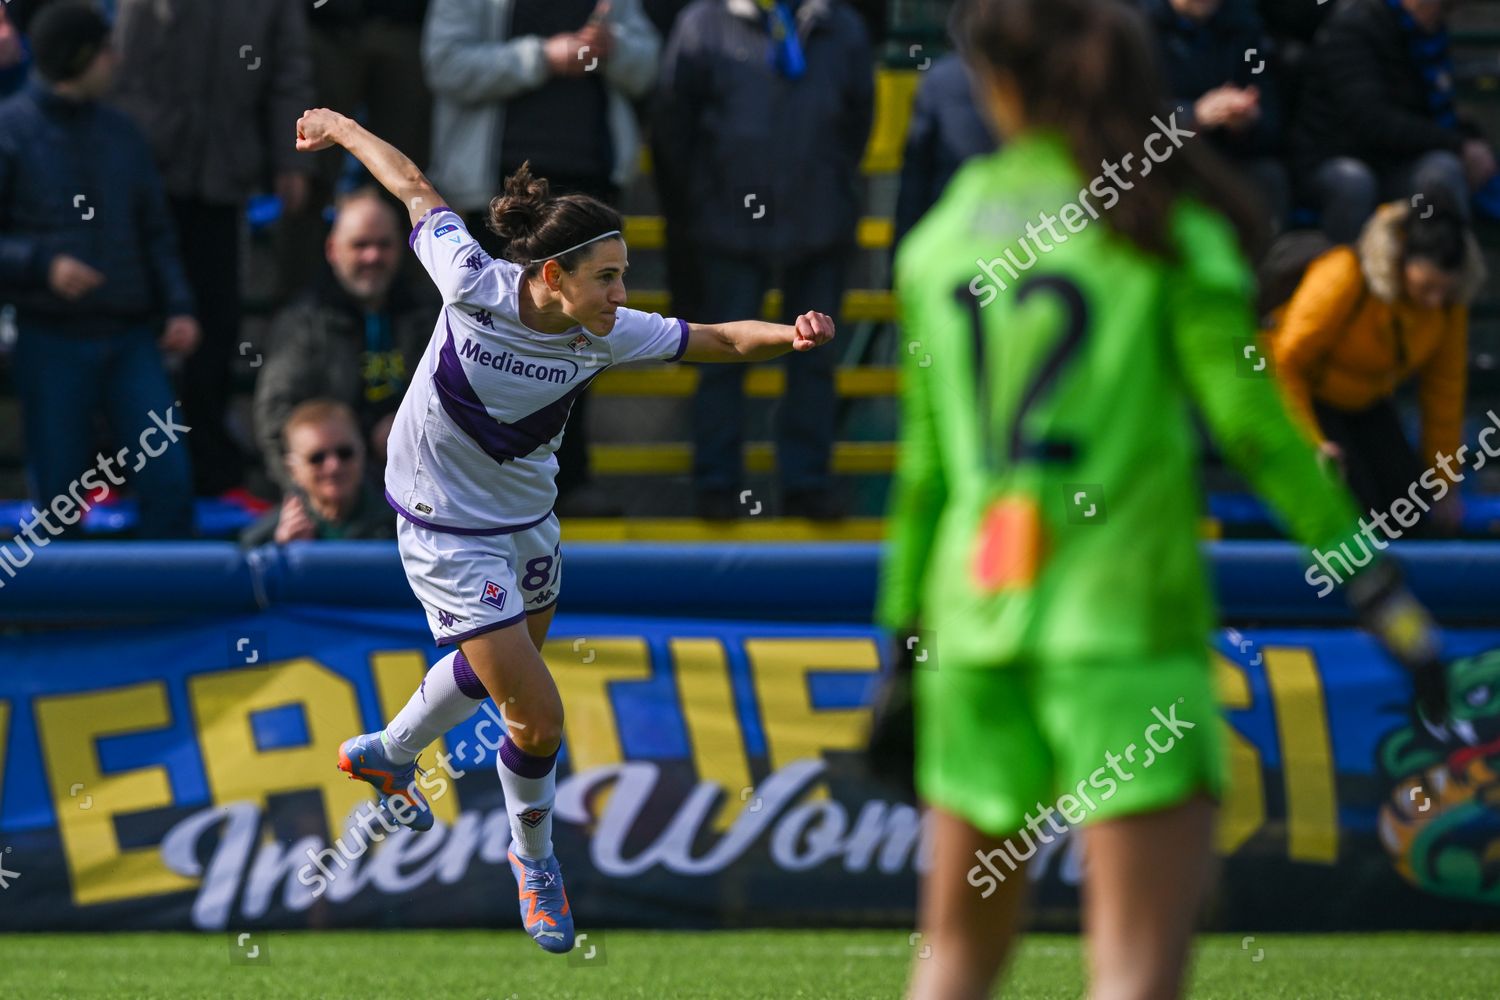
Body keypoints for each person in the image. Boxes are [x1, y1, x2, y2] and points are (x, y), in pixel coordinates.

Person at [869, 2, 1450, 998]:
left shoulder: (943, 238)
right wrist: (1382, 595)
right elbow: (1260, 434)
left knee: (955, 962)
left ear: (1001, 87)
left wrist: (899, 649)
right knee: (1136, 973)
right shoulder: (1162, 224)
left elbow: (923, 479)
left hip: (972, 625)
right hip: (1123, 619)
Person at [293, 106, 835, 953]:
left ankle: (390, 753)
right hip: (444, 526)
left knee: (488, 681)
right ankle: (536, 864)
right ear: (553, 275)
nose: (622, 295)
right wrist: (338, 126)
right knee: (537, 718)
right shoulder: (472, 282)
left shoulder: (607, 334)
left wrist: (790, 336)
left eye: (624, 277)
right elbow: (412, 187)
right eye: (609, 277)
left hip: (529, 519)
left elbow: (721, 338)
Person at [423, 0, 662, 517]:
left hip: (590, 191)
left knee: (581, 341)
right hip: (498, 197)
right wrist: (543, 58)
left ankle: (567, 480)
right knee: (487, 344)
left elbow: (647, 67)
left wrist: (612, 51)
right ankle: (473, 481)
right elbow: (444, 64)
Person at [654, 0, 873, 520]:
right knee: (720, 358)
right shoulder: (702, 25)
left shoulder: (841, 26)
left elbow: (856, 122)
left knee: (815, 359)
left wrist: (834, 192)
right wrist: (698, 207)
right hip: (726, 225)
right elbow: (673, 124)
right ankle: (716, 486)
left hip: (819, 222)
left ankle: (806, 486)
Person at [0, 1, 197, 539]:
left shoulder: (122, 133)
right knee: (60, 501)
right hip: (50, 341)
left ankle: (172, 614)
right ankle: (68, 623)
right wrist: (42, 266)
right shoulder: (11, 131)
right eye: (105, 49)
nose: (116, 59)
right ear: (79, 56)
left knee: (170, 479)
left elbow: (155, 229)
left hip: (131, 338)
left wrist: (178, 307)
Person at [111, 0, 314, 497]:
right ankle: (116, 465)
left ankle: (208, 465)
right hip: (149, 174)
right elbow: (121, 67)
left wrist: (291, 157)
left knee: (217, 325)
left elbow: (288, 67)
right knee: (136, 318)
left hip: (224, 179)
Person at [1269, 197, 1483, 534]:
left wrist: (1444, 485)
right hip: (1304, 392)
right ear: (1400, 261)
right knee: (1356, 504)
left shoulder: (1448, 307)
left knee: (1412, 505)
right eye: (1426, 288)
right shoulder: (1345, 274)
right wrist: (1311, 445)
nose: (1434, 301)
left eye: (1444, 290)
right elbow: (1285, 362)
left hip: (1366, 400)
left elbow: (1444, 391)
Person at [254, 189, 432, 488]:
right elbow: (275, 419)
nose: (373, 256)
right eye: (360, 245)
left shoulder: (431, 317)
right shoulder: (301, 322)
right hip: (331, 489)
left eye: (384, 244)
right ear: (332, 249)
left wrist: (408, 429)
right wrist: (306, 500)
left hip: (421, 487)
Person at [1289, 0, 1496, 242]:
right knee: (1354, 183)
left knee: (1441, 172)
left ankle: (1440, 271)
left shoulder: (1430, 33)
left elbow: (1434, 113)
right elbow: (1371, 121)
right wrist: (1459, 145)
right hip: (1333, 159)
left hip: (1396, 163)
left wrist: (1467, 142)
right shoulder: (1355, 25)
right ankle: (1348, 275)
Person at [1140, 0, 1289, 229]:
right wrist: (1194, 115)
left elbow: (1269, 115)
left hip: (1227, 153)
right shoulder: (1136, 29)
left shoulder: (1245, 28)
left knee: (1269, 176)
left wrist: (1246, 120)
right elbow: (1127, 113)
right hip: (1163, 159)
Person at [240, 400, 395, 546]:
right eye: (317, 458)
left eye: (345, 453)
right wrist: (281, 555)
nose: (334, 466)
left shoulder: (400, 525)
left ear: (362, 453)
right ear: (292, 470)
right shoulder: (264, 540)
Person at [892, 50, 997, 252]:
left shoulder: (944, 79)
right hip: (1029, 245)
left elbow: (915, 182)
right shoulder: (944, 81)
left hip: (951, 240)